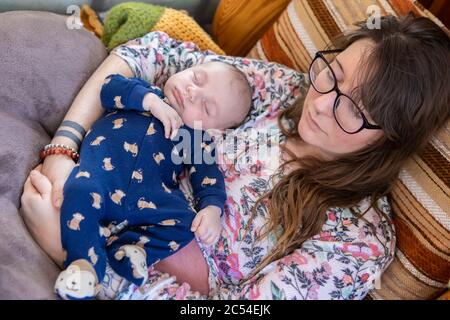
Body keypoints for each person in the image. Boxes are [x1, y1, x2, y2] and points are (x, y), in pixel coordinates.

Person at [21, 14, 450, 299]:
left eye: (354, 111)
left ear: (391, 139)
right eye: (333, 75)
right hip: (80, 180)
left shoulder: (356, 241)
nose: (321, 104)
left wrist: (75, 257)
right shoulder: (285, 92)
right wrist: (63, 148)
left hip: (99, 273)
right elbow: (148, 54)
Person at [53, 63, 252, 300]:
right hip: (99, 175)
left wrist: (212, 208)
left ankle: (129, 249)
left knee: (185, 222)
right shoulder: (141, 92)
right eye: (197, 78)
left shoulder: (195, 137)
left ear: (215, 130)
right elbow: (108, 87)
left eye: (206, 107)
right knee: (77, 189)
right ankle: (84, 267)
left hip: (148, 197)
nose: (192, 92)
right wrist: (150, 101)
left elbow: (208, 175)